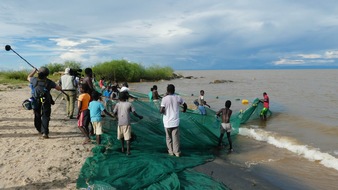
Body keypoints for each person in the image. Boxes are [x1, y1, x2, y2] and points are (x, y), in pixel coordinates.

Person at [27, 67, 62, 139]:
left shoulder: (34, 80)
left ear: (39, 73)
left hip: (36, 100)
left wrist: (34, 71)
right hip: (46, 100)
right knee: (45, 115)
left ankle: (39, 129)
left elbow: (28, 77)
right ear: (47, 74)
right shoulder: (49, 82)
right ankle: (45, 132)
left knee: (37, 114)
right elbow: (58, 88)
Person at [160, 84, 187, 157]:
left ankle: (171, 152)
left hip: (167, 122)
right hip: (175, 121)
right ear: (174, 90)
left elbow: (161, 110)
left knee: (168, 138)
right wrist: (184, 110)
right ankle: (177, 152)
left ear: (167, 90)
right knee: (176, 138)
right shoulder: (178, 97)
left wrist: (163, 111)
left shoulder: (164, 99)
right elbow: (185, 105)